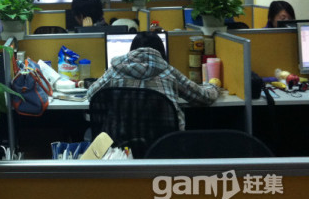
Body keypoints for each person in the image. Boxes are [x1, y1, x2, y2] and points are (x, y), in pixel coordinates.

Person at [87, 31, 220, 130]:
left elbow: (91, 94)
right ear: (161, 51)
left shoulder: (115, 71)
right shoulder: (169, 72)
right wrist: (213, 86)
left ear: (132, 50)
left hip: (122, 149)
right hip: (165, 148)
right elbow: (203, 97)